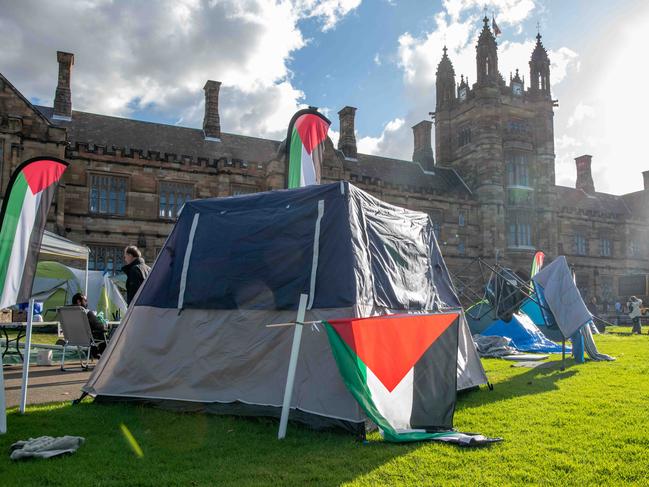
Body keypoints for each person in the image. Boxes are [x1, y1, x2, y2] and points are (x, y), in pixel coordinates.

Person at [71, 292, 107, 358]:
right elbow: (100, 327)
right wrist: (105, 327)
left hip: (73, 338)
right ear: (79, 301)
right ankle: (104, 357)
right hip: (88, 339)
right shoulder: (86, 312)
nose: (87, 302)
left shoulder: (68, 313)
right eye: (85, 300)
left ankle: (94, 353)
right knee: (103, 334)